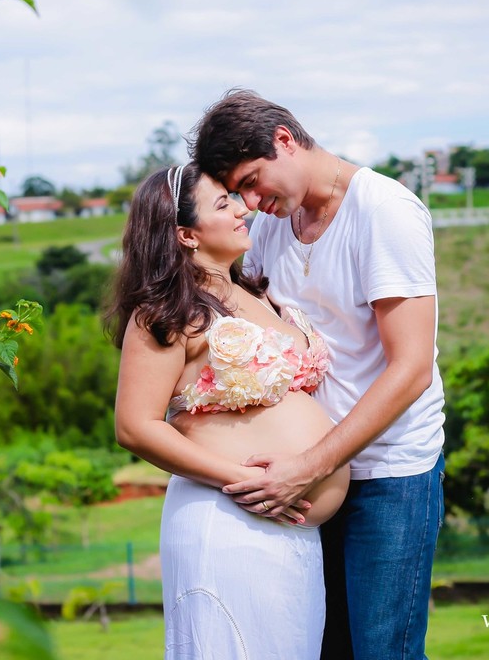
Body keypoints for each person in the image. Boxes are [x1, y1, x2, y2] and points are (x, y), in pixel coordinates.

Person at [191, 90, 446, 660]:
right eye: (240, 192)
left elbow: (411, 371)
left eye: (254, 180)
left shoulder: (384, 212)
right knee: (319, 648)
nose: (253, 202)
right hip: (308, 484)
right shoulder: (276, 225)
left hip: (388, 474)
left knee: (384, 652)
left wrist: (310, 464)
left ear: (285, 139)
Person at [109, 162, 350, 660]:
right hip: (229, 520)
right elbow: (135, 427)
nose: (245, 209)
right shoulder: (164, 311)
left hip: (293, 534)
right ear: (186, 234)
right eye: (224, 204)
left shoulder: (257, 292)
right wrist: (244, 482)